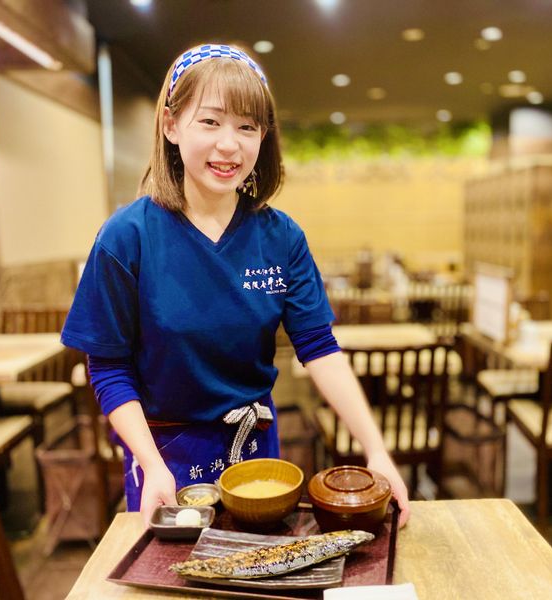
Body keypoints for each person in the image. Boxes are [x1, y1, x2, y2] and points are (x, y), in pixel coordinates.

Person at [61, 43, 410, 526]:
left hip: (255, 451)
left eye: (247, 127)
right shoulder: (127, 236)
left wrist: (376, 450)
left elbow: (319, 348)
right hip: (163, 456)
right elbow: (108, 366)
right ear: (171, 125)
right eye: (210, 121)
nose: (230, 145)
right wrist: (151, 464)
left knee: (257, 562)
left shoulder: (281, 237)